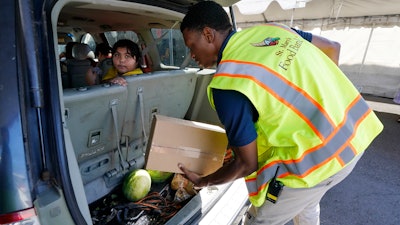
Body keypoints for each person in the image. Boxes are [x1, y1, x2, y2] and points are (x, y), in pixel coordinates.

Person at [177, 2, 383, 225]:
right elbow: (333, 48)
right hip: (355, 137)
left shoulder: (227, 83)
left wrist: (204, 181)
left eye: (191, 45)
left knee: (261, 220)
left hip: (315, 163)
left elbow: (247, 164)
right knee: (308, 203)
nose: (191, 55)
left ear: (208, 34)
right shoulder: (275, 30)